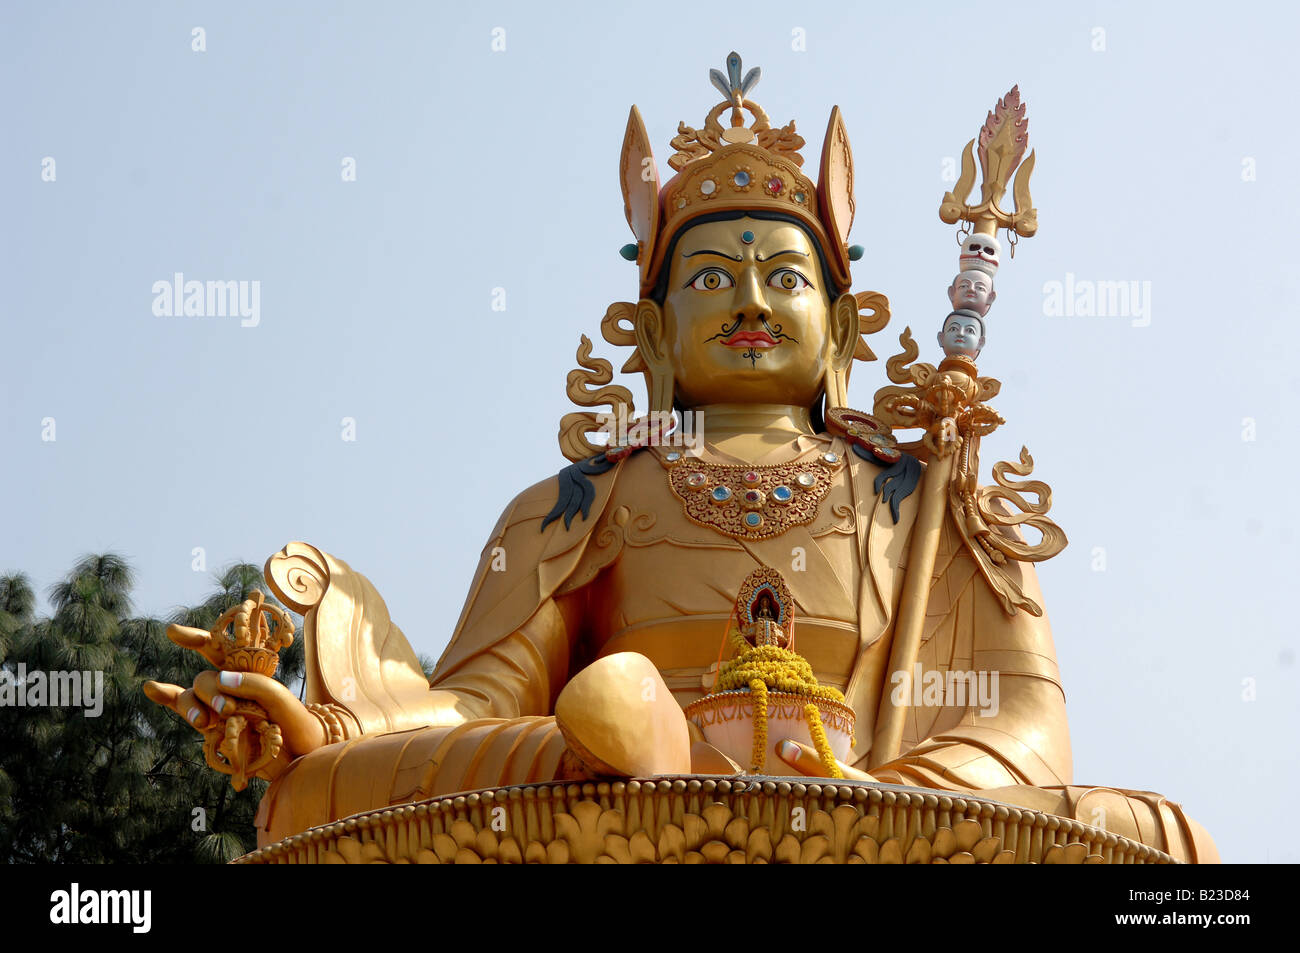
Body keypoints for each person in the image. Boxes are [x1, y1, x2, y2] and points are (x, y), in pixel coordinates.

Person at [144, 54, 1217, 862]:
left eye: (784, 280)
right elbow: (472, 710)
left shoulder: (922, 491)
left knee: (1169, 844)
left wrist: (887, 793)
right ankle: (645, 748)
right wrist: (323, 726)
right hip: (615, 782)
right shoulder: (577, 502)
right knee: (325, 789)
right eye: (709, 279)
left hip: (871, 794)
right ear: (652, 336)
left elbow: (1025, 724)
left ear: (843, 330)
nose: (750, 300)